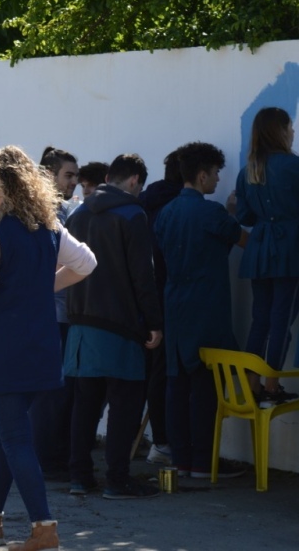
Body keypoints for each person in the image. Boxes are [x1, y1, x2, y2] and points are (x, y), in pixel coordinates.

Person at [0, 145, 96, 551]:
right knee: (4, 430)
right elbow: (87, 264)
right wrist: (44, 285)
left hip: (1, 349)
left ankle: (43, 529)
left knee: (14, 437)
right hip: (40, 344)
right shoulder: (48, 227)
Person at [64, 153, 164, 500]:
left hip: (80, 323)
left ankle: (79, 477)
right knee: (124, 405)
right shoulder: (133, 214)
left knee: (85, 405)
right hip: (120, 325)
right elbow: (143, 276)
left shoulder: (78, 213)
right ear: (135, 180)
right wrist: (154, 323)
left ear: (109, 176)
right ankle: (117, 479)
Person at [154, 142, 247, 480]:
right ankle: (202, 465)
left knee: (176, 386)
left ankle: (181, 460)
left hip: (175, 304)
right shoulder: (211, 213)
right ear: (203, 174)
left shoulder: (166, 212)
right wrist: (233, 213)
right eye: (216, 173)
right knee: (205, 388)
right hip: (206, 307)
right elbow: (244, 241)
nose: (219, 179)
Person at [235, 107, 299, 401]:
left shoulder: (247, 170)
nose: (294, 132)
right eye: (290, 127)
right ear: (281, 131)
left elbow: (245, 216)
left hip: (259, 250)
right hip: (289, 250)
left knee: (260, 320)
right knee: (281, 321)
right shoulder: (293, 165)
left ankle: (252, 384)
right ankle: (272, 387)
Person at [30, 146, 79, 479]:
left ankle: (44, 457)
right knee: (54, 393)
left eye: (76, 175)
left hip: (46, 312)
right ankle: (50, 460)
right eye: (69, 175)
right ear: (50, 176)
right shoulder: (54, 215)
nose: (74, 182)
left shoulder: (38, 212)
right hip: (56, 313)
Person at [137, 149, 182, 466]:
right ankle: (164, 441)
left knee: (152, 372)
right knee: (164, 373)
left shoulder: (145, 205)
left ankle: (159, 441)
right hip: (166, 296)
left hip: (143, 297)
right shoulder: (173, 208)